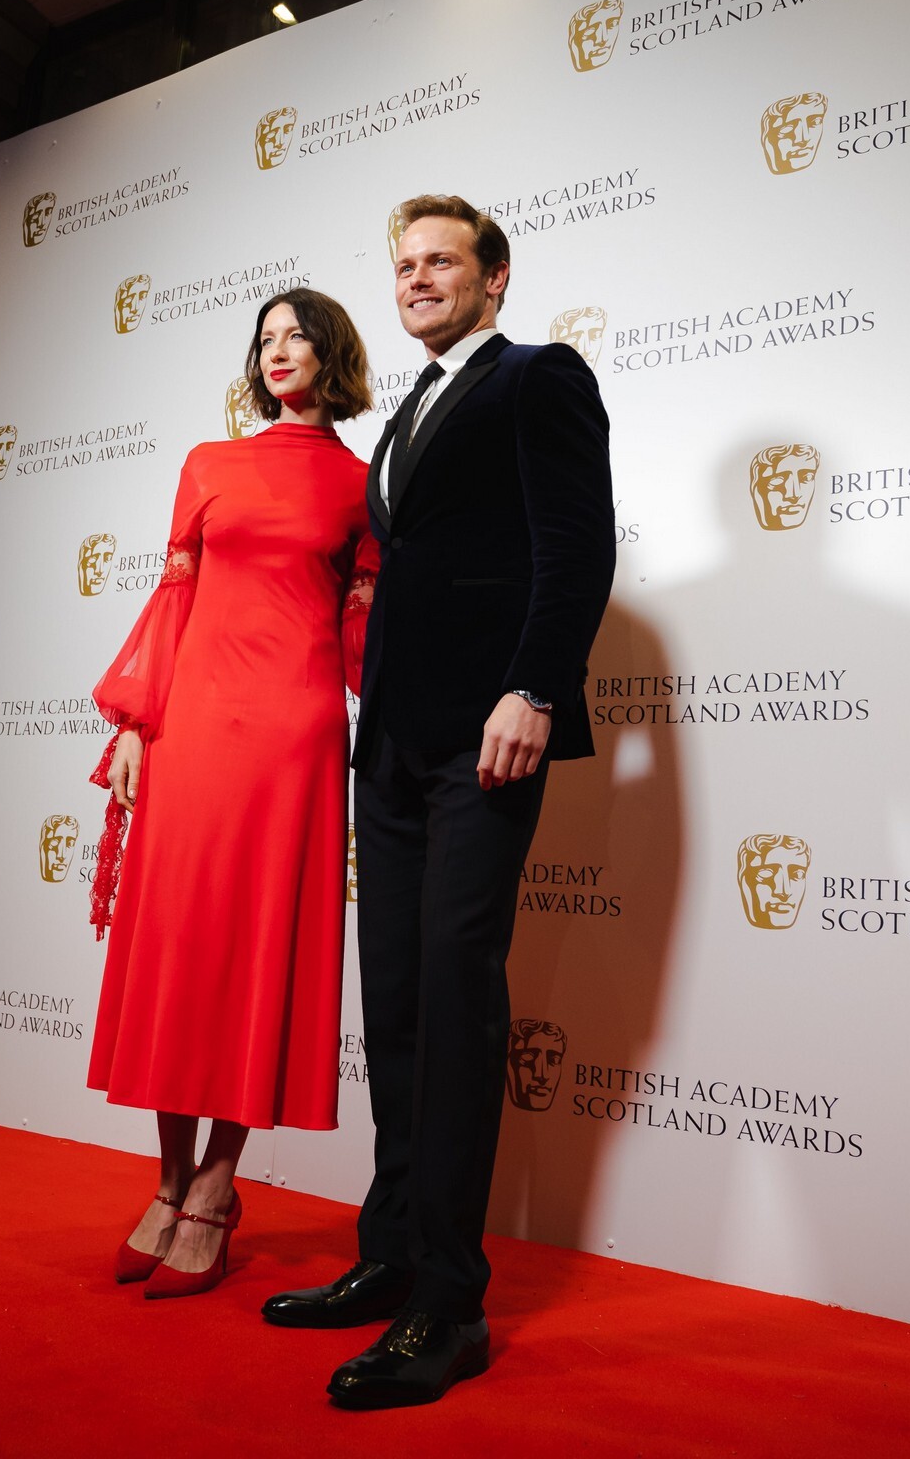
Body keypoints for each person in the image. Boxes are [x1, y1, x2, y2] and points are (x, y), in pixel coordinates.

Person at [262, 196, 614, 1408]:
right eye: (403, 264)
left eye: (441, 261)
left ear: (495, 277)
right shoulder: (407, 408)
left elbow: (576, 546)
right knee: (401, 1004)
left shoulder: (537, 377)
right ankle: (394, 1253)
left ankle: (450, 1303)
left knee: (457, 999)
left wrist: (536, 687)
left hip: (488, 736)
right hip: (396, 747)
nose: (416, 279)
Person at [87, 288, 378, 1300]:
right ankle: (169, 1179)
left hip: (293, 735)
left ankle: (216, 1185)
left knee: (255, 951)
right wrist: (135, 722)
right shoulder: (208, 464)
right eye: (265, 339)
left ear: (333, 355)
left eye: (297, 336)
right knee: (181, 943)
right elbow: (173, 598)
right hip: (197, 726)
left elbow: (365, 627)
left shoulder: (362, 484)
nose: (277, 352)